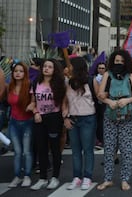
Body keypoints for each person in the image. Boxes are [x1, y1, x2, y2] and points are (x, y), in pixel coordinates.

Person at [97, 50, 132, 191]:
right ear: (112, 62)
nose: (119, 63)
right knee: (109, 148)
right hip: (110, 115)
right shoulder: (107, 75)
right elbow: (100, 94)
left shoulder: (131, 76)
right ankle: (107, 179)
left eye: (122, 61)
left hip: (126, 115)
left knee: (126, 150)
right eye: (117, 61)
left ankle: (125, 179)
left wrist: (127, 100)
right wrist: (109, 101)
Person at [29, 59, 66, 190]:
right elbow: (33, 102)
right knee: (41, 148)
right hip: (40, 118)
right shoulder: (36, 83)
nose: (46, 69)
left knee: (55, 148)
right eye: (45, 66)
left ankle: (55, 177)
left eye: (50, 67)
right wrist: (35, 112)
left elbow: (64, 102)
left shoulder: (59, 84)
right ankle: (43, 178)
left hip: (54, 118)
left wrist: (65, 116)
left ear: (54, 69)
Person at [64, 57, 97, 190]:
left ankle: (87, 176)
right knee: (75, 150)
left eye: (70, 65)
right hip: (72, 118)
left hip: (88, 118)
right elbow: (65, 101)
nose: (67, 68)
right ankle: (76, 177)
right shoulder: (67, 82)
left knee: (88, 149)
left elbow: (98, 98)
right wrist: (65, 117)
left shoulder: (91, 81)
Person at [7, 62, 33, 188]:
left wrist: (32, 105)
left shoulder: (29, 86)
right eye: (16, 71)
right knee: (17, 151)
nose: (18, 73)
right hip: (13, 122)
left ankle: (27, 175)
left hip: (27, 122)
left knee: (27, 151)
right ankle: (17, 176)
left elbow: (34, 101)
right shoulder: (10, 87)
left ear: (25, 73)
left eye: (21, 71)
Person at [93, 62, 106, 149]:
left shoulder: (108, 78)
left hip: (106, 102)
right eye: (99, 68)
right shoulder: (94, 79)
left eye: (103, 68)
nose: (101, 70)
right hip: (97, 103)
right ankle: (99, 140)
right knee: (98, 122)